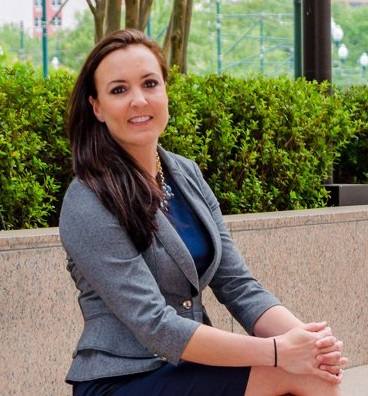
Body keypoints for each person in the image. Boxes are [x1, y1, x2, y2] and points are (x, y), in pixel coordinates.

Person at [59, 28, 348, 396]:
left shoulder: (186, 175)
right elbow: (155, 324)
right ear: (96, 107)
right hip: (123, 379)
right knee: (299, 375)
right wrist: (279, 352)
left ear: (165, 91)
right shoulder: (88, 198)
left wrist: (308, 342)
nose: (138, 100)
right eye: (119, 90)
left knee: (317, 372)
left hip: (188, 367)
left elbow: (239, 286)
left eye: (150, 84)